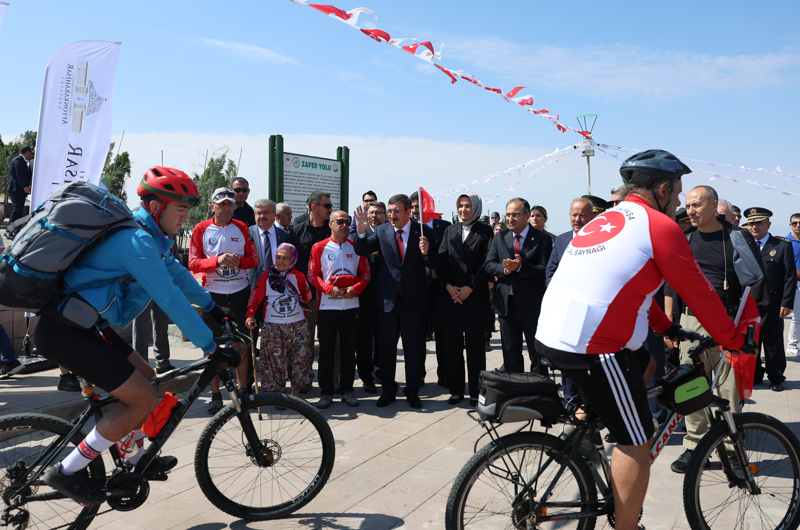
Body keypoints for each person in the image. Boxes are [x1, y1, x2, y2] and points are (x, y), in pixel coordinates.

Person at [536, 149, 748, 530]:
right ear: (662, 188)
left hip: (553, 332)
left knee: (646, 366)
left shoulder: (608, 219)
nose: (680, 201)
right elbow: (699, 292)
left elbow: (635, 287)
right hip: (591, 345)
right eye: (678, 191)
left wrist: (667, 328)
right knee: (636, 438)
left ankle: (585, 426)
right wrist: (733, 339)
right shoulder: (659, 226)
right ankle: (626, 525)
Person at [37, 166, 239, 505]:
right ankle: (67, 471)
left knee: (147, 377)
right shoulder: (136, 241)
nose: (185, 217)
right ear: (157, 207)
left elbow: (177, 274)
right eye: (181, 209)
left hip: (86, 326)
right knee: (143, 398)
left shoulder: (150, 236)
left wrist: (214, 308)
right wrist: (209, 346)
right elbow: (167, 296)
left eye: (188, 210)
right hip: (65, 331)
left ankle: (133, 457)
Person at [669, 185, 767, 473]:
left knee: (729, 391)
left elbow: (757, 281)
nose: (691, 211)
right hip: (692, 320)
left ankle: (732, 451)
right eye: (688, 206)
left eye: (697, 205)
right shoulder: (684, 238)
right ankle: (694, 448)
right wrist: (671, 324)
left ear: (714, 206)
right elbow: (670, 283)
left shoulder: (737, 237)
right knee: (691, 385)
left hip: (730, 320)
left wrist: (751, 327)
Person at [353, 194, 438, 409]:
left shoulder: (424, 231)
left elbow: (436, 262)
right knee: (387, 348)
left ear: (408, 211)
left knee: (413, 348)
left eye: (396, 211)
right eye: (389, 211)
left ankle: (412, 391)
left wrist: (427, 253)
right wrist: (361, 233)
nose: (391, 215)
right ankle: (388, 390)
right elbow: (361, 250)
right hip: (388, 300)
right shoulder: (382, 231)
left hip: (414, 300)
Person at [190, 187, 257, 413]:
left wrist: (240, 263)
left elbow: (254, 259)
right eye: (222, 205)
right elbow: (193, 263)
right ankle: (216, 395)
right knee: (212, 344)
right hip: (213, 295)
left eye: (230, 204)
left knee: (240, 342)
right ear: (213, 207)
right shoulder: (201, 228)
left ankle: (242, 391)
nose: (227, 208)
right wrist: (217, 261)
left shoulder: (242, 227)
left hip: (239, 291)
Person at [435, 193, 493, 406]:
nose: (463, 210)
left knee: (476, 349)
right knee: (452, 347)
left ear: (476, 208)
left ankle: (477, 392)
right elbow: (442, 261)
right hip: (452, 297)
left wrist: (470, 287)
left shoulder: (486, 232)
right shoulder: (450, 230)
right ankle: (456, 390)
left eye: (468, 206)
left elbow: (487, 262)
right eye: (460, 206)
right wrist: (450, 287)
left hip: (475, 296)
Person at [309, 211, 370, 408]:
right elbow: (312, 275)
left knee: (348, 350)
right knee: (326, 351)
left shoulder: (356, 247)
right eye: (340, 221)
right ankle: (325, 392)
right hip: (328, 306)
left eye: (347, 222)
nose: (344, 225)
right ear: (331, 224)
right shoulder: (319, 247)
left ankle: (347, 390)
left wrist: (356, 289)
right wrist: (328, 289)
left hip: (351, 306)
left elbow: (366, 274)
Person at [484, 197, 553, 374]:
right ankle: (515, 392)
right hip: (507, 307)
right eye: (507, 215)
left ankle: (538, 394)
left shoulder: (542, 239)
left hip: (532, 306)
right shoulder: (500, 237)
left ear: (527, 215)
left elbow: (545, 270)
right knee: (510, 355)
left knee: (537, 356)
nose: (510, 219)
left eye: (515, 214)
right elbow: (489, 264)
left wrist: (521, 267)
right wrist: (506, 270)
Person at [245, 243, 313, 397]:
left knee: (299, 359)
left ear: (293, 260)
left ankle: (296, 394)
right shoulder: (266, 276)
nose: (281, 261)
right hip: (273, 326)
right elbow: (255, 298)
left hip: (297, 326)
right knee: (275, 360)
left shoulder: (299, 277)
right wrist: (250, 314)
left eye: (285, 258)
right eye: (278, 257)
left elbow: (306, 296)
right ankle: (278, 395)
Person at [746, 207, 796, 391]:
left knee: (773, 342)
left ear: (768, 224)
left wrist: (786, 302)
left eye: (758, 222)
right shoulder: (745, 244)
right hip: (749, 302)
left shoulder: (781, 245)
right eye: (751, 223)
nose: (754, 226)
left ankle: (776, 377)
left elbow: (789, 276)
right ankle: (755, 375)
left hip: (773, 303)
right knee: (752, 341)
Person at [410, 190, 451, 385]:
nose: (416, 211)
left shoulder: (444, 227)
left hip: (442, 288)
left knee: (443, 335)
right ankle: (418, 375)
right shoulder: (409, 228)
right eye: (413, 207)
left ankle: (445, 374)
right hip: (419, 289)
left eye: (419, 206)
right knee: (418, 336)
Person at [290, 190, 332, 349]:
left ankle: (333, 374)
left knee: (331, 338)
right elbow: (291, 264)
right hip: (307, 293)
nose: (330, 209)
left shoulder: (333, 231)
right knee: (305, 337)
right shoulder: (296, 231)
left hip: (330, 291)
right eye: (327, 206)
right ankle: (305, 373)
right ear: (314, 207)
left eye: (331, 205)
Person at [354, 201, 386, 393]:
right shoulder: (359, 235)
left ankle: (382, 373)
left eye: (378, 212)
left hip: (385, 297)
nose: (374, 216)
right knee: (364, 341)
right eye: (371, 212)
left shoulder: (391, 233)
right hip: (364, 298)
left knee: (384, 340)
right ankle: (367, 378)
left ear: (386, 215)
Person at [248, 199, 293, 292]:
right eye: (258, 213)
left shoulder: (285, 236)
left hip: (279, 287)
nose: (262, 216)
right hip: (253, 288)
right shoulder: (246, 234)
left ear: (274, 214)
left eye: (266, 212)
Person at [545, 197, 593, 284]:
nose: (577, 219)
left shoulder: (599, 240)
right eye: (574, 215)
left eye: (582, 215)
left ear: (592, 217)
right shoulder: (561, 240)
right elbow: (551, 270)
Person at [132, 301, 172, 373]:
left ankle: (162, 363)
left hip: (161, 290)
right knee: (140, 327)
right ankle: (141, 366)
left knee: (162, 323)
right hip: (142, 291)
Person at [6, 146, 33, 230]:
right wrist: (25, 187)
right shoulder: (18, 160)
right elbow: (20, 175)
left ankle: (16, 229)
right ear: (28, 152)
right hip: (15, 189)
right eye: (31, 153)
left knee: (20, 210)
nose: (31, 155)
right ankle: (9, 229)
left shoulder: (21, 160)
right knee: (17, 209)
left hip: (18, 190)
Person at [787, 213, 800, 357]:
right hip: (794, 285)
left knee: (797, 317)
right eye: (795, 223)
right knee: (798, 317)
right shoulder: (786, 241)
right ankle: (792, 345)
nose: (798, 226)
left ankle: (791, 345)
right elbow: (789, 266)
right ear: (790, 225)